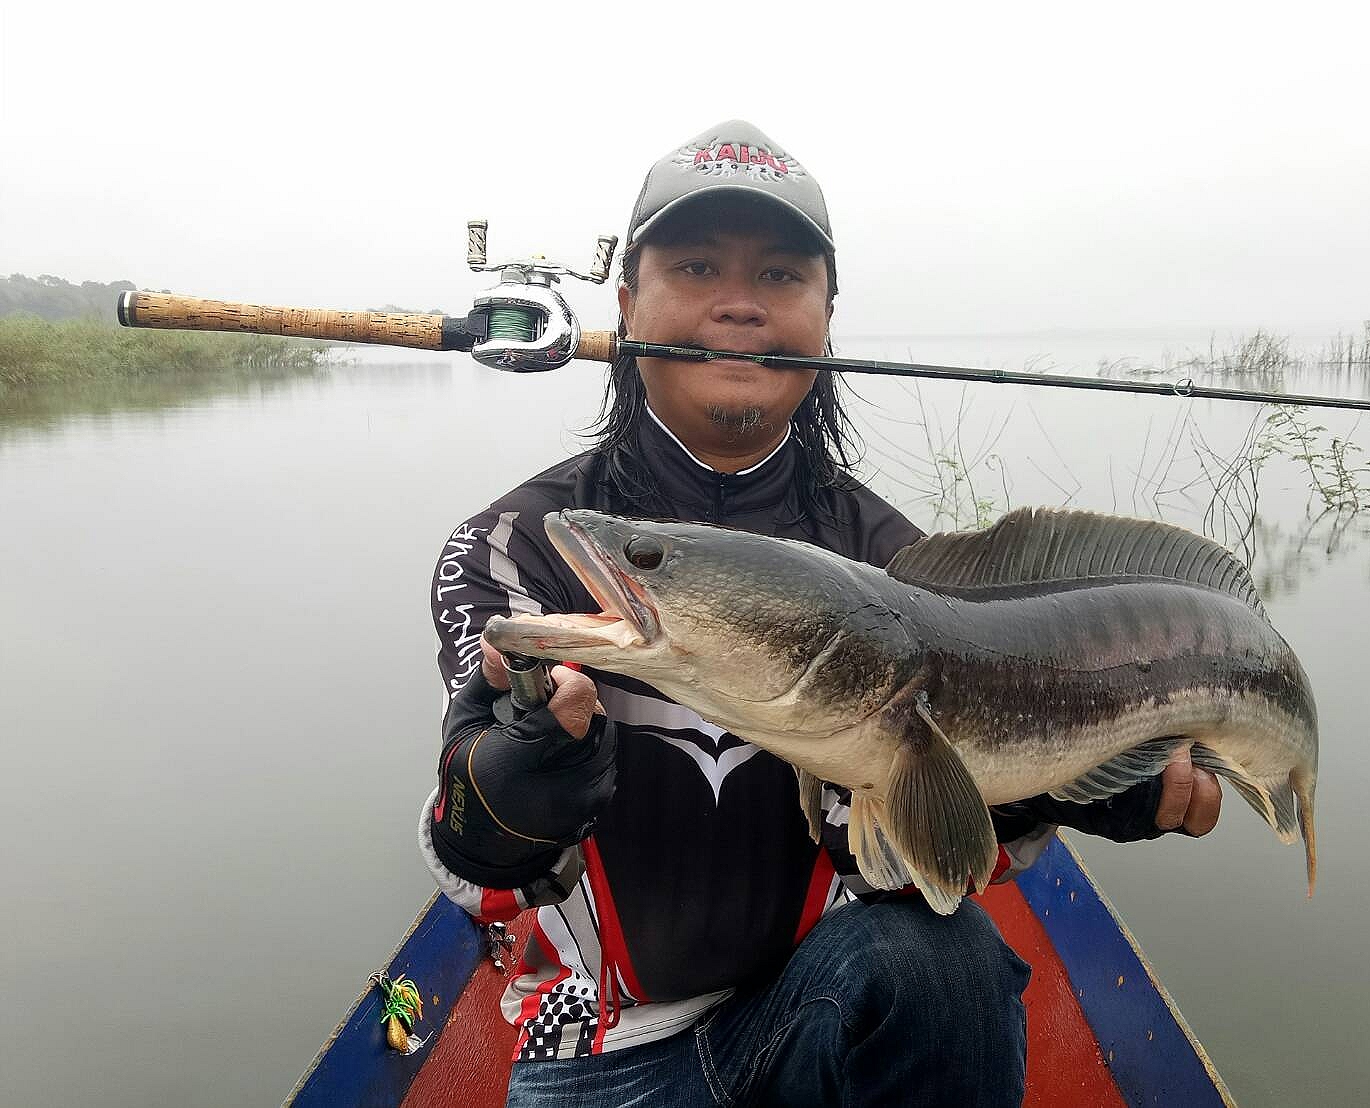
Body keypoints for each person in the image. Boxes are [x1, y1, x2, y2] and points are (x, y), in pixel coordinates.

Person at [420, 120, 1222, 1106]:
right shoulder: (520, 542)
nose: (739, 304)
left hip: (824, 1007)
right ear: (628, 305)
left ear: (826, 314)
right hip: (600, 1041)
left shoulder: (891, 560)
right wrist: (504, 794)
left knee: (945, 959)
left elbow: (906, 859)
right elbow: (477, 854)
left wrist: (1060, 780)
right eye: (699, 264)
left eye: (783, 276)